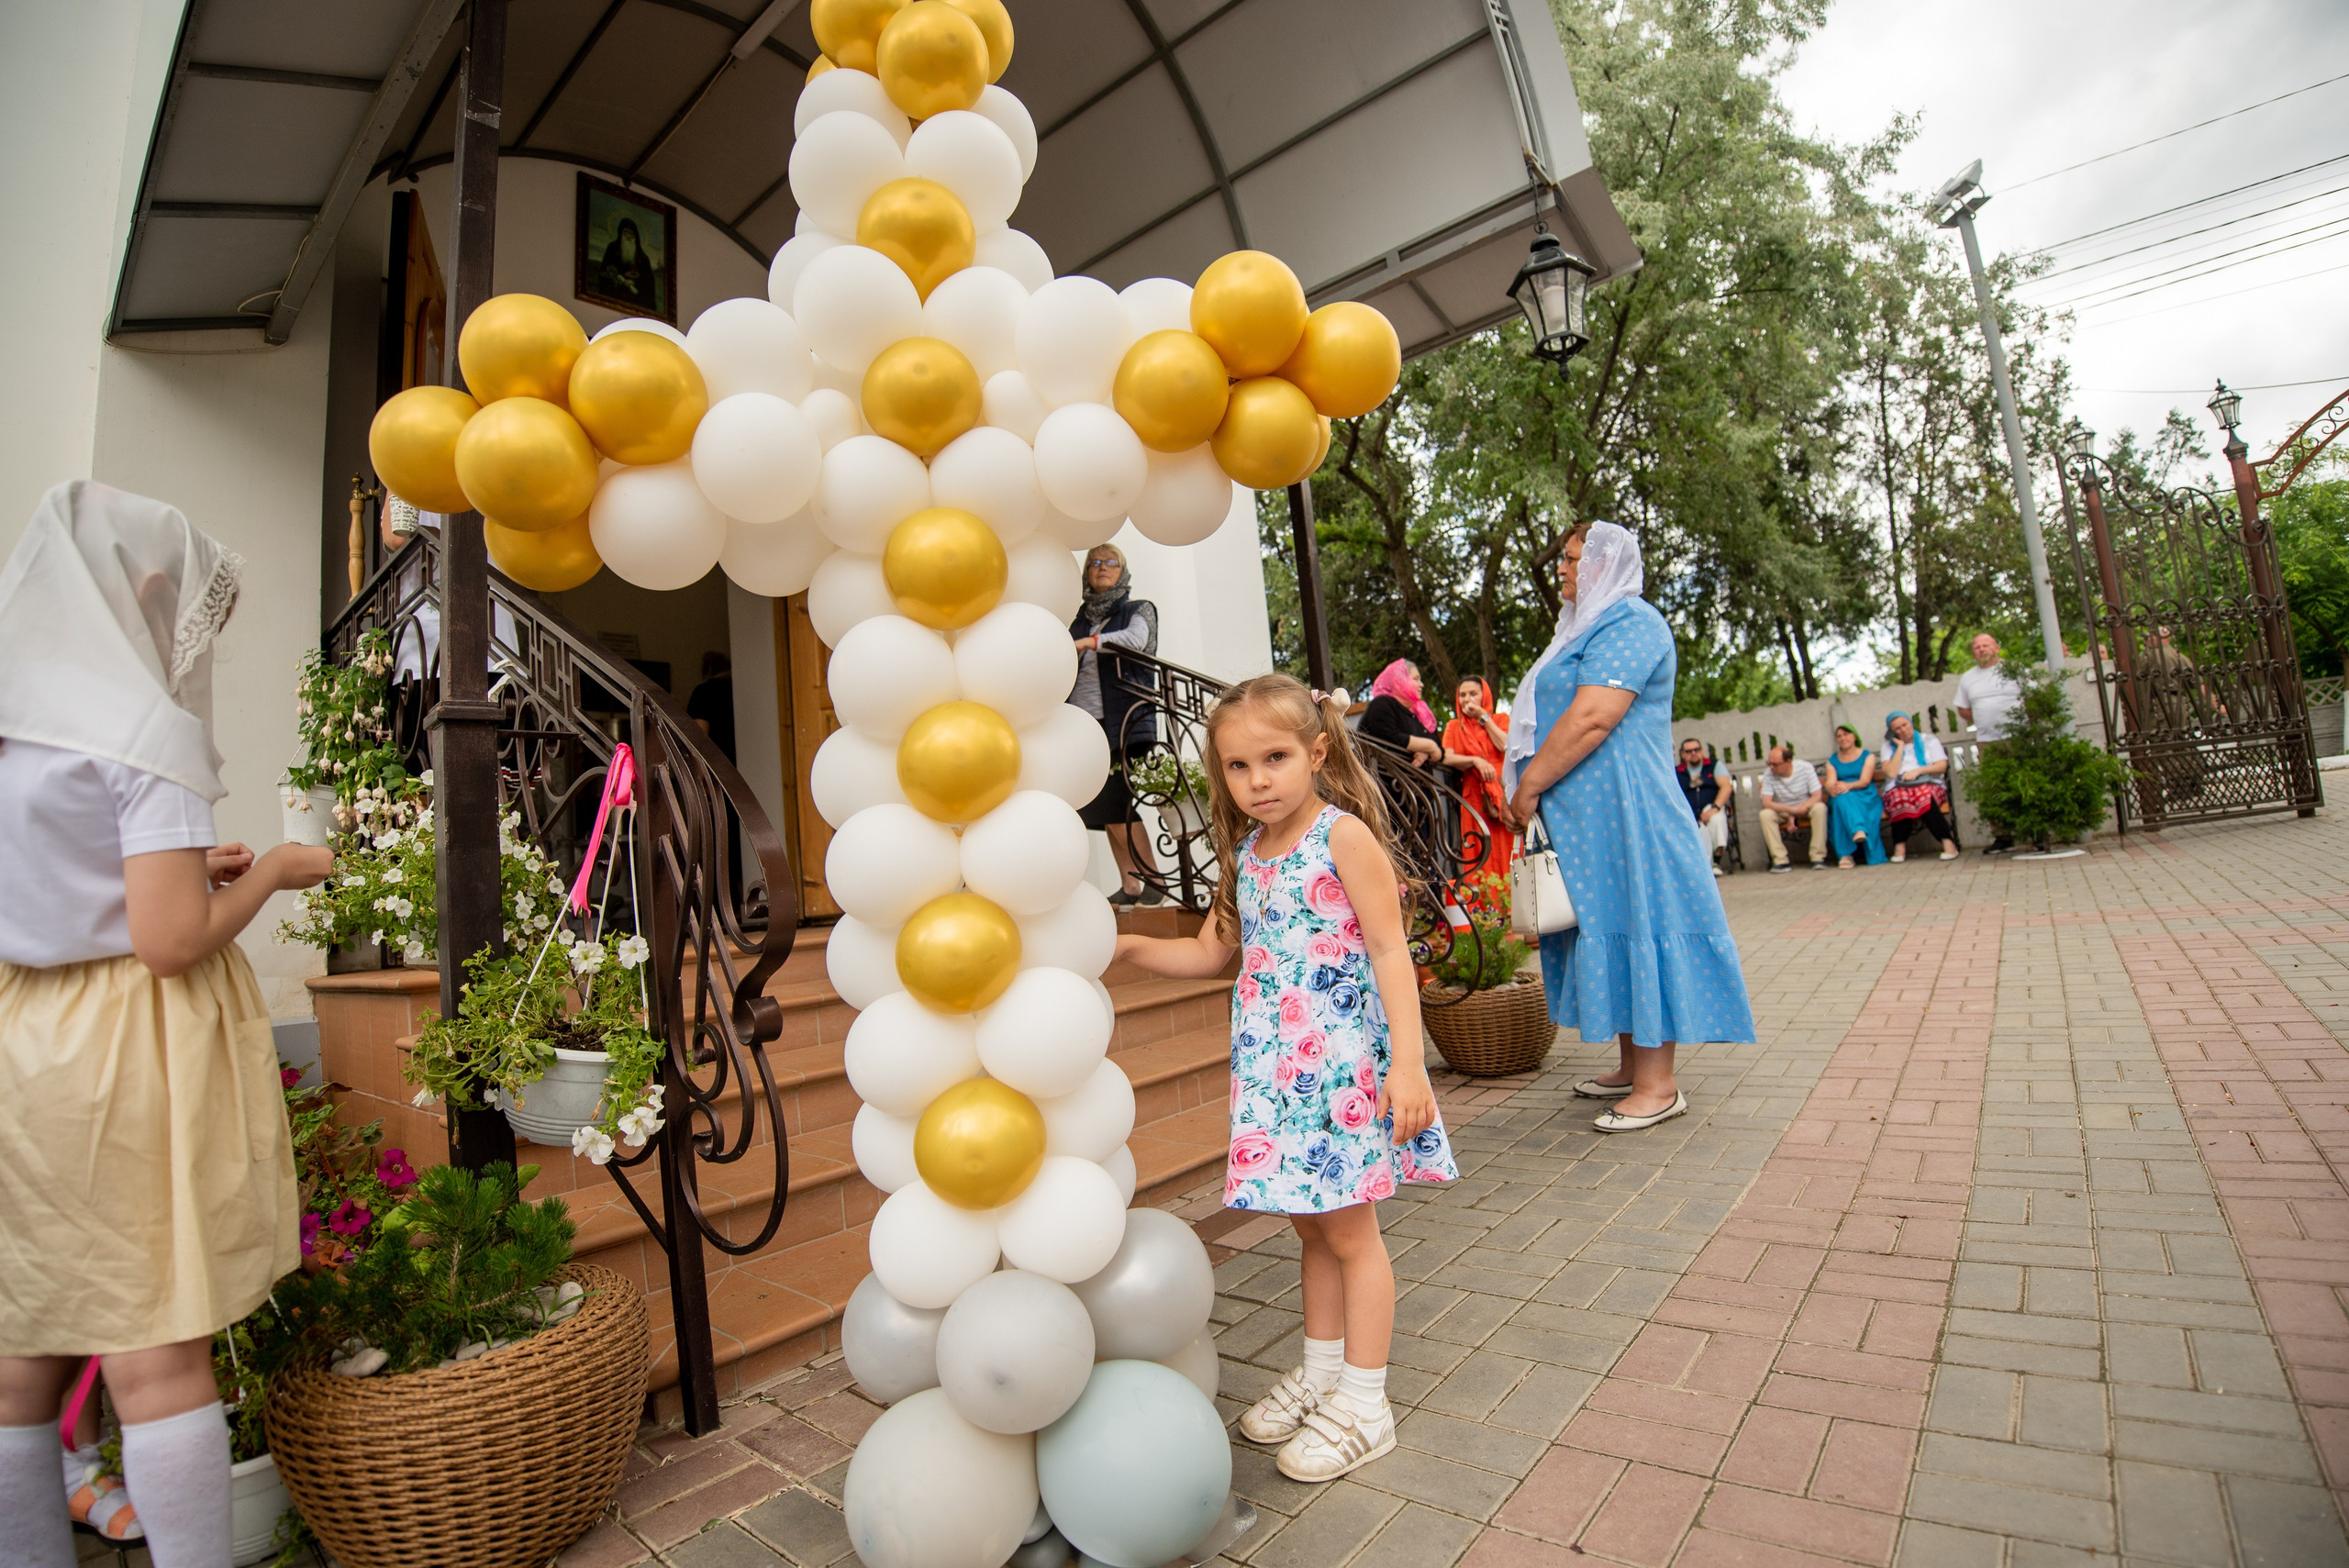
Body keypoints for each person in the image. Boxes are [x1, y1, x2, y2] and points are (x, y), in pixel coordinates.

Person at [0, 481, 333, 1568]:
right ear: (145, 590)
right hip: (126, 1048)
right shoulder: (146, 731)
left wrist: (185, 870)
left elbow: (76, 886)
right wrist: (276, 868)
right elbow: (169, 941)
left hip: (26, 1038)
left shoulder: (15, 725)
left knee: (24, 1347)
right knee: (156, 1352)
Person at [1113, 674, 1455, 1484]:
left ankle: (1366, 1403)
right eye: (1237, 766)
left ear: (1317, 751)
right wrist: (1126, 948)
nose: (1256, 779)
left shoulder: (1343, 839)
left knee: (1350, 1235)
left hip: (1338, 1071)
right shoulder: (1245, 855)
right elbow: (1207, 953)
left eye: (1274, 757)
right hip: (1277, 1078)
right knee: (1310, 1225)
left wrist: (1409, 1065)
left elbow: (1388, 953)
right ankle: (1325, 1369)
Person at [1503, 522, 1754, 1132]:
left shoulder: (1632, 622)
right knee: (1607, 924)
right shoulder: (1585, 626)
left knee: (1639, 921)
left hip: (1628, 813)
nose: (1560, 569)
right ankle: (1629, 1063)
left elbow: (1593, 717)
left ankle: (1658, 1084)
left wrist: (1530, 783)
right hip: (1592, 817)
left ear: (1603, 563)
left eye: (1570, 559)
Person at [1068, 545, 1163, 906]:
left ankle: (1154, 880)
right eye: (1094, 562)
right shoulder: (1076, 617)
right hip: (1083, 729)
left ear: (1122, 571)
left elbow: (1137, 640)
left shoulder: (1137, 610)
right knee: (1104, 807)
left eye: (1110, 562)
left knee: (1115, 801)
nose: (1102, 567)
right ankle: (1132, 885)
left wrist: (1090, 643)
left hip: (1125, 723)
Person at [1954, 634, 2021, 853]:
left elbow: (2033, 697)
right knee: (1994, 789)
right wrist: (1984, 717)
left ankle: (2036, 833)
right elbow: (1962, 709)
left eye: (1986, 645)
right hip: (1987, 741)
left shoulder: (2015, 669)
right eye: (1977, 647)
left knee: (2024, 783)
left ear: (1997, 648)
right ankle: (2003, 837)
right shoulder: (1968, 678)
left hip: (2019, 737)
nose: (1981, 650)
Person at [1440, 678, 1511, 879]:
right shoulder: (1454, 726)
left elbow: (1506, 745)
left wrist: (1483, 718)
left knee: (1508, 851)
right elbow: (1447, 756)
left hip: (1502, 794)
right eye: (1462, 695)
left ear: (1484, 695)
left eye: (1473, 694)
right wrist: (1475, 761)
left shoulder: (1500, 719)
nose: (1467, 699)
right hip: (1474, 800)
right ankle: (1483, 908)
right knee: (1479, 852)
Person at [1879, 711, 1957, 862]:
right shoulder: (1888, 747)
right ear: (1891, 731)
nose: (1903, 730)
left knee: (1924, 795)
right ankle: (1899, 847)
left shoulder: (1928, 740)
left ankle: (1948, 844)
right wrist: (1900, 747)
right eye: (1897, 729)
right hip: (1899, 786)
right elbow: (1890, 773)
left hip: (1929, 783)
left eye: (1905, 725)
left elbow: (1941, 766)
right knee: (1900, 797)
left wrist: (1919, 771)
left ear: (1911, 723)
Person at [1756, 745, 1828, 871]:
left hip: (1805, 807)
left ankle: (1818, 857)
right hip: (1783, 810)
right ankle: (1780, 860)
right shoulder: (1769, 774)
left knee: (1820, 808)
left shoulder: (1805, 768)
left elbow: (1817, 796)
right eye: (1769, 763)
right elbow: (1766, 803)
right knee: (1765, 814)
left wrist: (1798, 810)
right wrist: (1791, 812)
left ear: (1788, 761)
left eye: (1775, 764)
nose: (1771, 767)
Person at [1823, 725, 1885, 867]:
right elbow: (1830, 782)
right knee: (1840, 799)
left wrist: (1847, 786)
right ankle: (1858, 830)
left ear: (1854, 736)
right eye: (1839, 736)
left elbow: (1865, 781)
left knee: (1841, 801)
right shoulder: (1832, 760)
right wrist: (1832, 788)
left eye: (1846, 734)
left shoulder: (1868, 756)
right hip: (1842, 795)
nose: (1843, 738)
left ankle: (1845, 855)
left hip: (1865, 796)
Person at [1675, 738, 1733, 876]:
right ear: (1682, 754)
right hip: (1687, 812)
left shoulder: (1714, 765)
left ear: (1702, 751)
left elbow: (1726, 787)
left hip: (1711, 808)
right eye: (1689, 751)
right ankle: (1697, 867)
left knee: (1717, 820)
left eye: (1697, 750)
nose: (1693, 753)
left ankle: (1716, 862)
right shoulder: (1677, 772)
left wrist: (1715, 808)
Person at [595, 217, 662, 312]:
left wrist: (635, 283)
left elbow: (649, 283)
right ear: (620, 233)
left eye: (631, 234)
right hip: (616, 295)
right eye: (625, 232)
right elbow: (604, 271)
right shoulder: (613, 249)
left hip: (636, 299)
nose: (628, 236)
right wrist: (621, 280)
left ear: (635, 236)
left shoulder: (643, 258)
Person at [686, 649, 735, 762]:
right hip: (747, 764)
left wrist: (697, 776)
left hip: (718, 767)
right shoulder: (740, 690)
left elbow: (699, 738)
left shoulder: (703, 691)